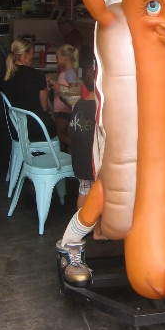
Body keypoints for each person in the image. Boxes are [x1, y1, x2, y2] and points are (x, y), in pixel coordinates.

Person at [67, 66, 106, 242]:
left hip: (79, 159)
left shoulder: (78, 105)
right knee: (97, 195)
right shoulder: (99, 109)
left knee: (83, 191)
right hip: (94, 161)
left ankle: (81, 227)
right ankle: (98, 231)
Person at [0, 38, 57, 142]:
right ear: (26, 55)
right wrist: (45, 87)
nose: (32, 57)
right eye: (32, 53)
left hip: (15, 129)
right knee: (54, 117)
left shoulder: (5, 75)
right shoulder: (37, 75)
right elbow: (44, 108)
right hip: (37, 129)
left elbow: (21, 89)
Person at [48, 44, 79, 151]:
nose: (56, 59)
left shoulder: (70, 72)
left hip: (64, 109)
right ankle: (71, 155)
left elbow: (73, 90)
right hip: (61, 108)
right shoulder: (65, 71)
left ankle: (79, 149)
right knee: (64, 134)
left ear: (65, 57)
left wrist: (59, 87)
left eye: (57, 57)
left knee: (60, 134)